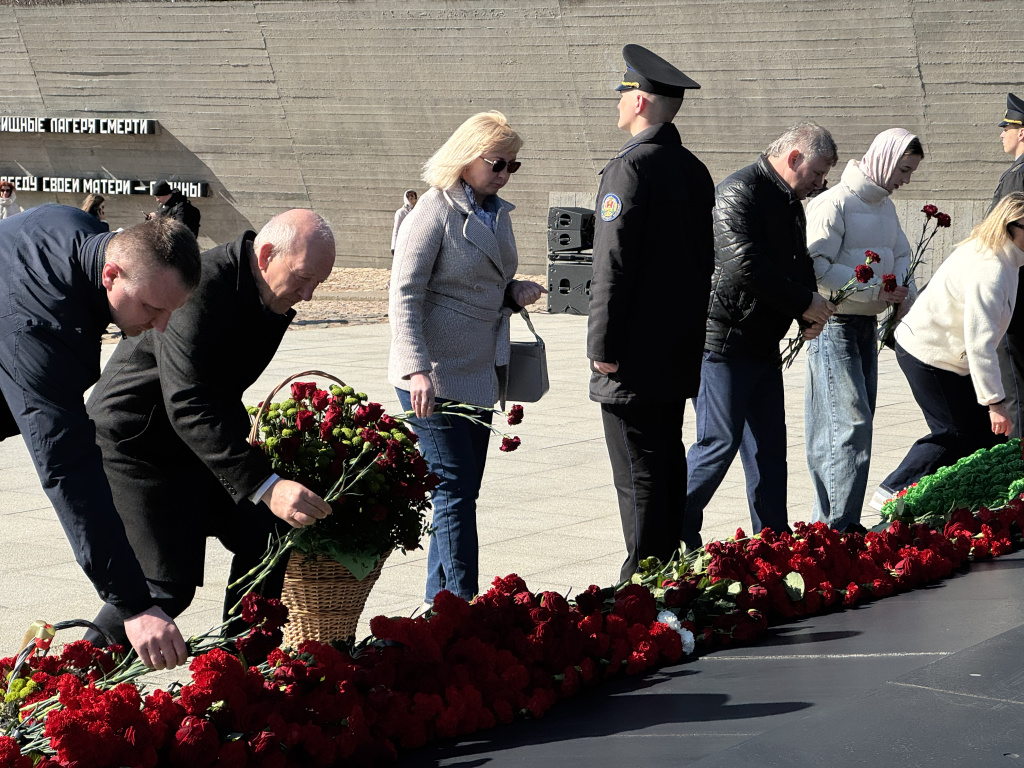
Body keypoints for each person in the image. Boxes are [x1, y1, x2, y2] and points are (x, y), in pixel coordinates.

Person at [85, 210, 336, 649]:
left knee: (267, 532)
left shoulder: (265, 289)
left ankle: (246, 668)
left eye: (318, 283)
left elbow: (218, 389)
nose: (308, 295)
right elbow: (189, 401)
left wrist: (261, 476)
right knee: (164, 587)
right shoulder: (203, 286)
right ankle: (71, 673)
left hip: (189, 440)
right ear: (265, 255)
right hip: (136, 441)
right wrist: (265, 484)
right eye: (302, 278)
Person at [0, 205, 201, 670]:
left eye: (170, 311)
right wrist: (133, 605)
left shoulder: (78, 226)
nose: (161, 326)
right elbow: (68, 472)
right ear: (111, 275)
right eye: (152, 308)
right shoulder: (44, 332)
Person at [388, 111, 545, 604]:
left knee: (459, 493)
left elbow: (486, 279)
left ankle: (441, 606)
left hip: (478, 370)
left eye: (513, 166)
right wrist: (416, 368)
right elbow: (404, 293)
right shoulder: (433, 210)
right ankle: (462, 604)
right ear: (466, 157)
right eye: (498, 163)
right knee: (453, 492)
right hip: (433, 376)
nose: (505, 174)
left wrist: (512, 290)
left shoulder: (496, 212)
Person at [586, 44, 713, 581]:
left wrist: (601, 346)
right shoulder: (694, 170)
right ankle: (671, 569)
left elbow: (611, 266)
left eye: (622, 94)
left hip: (632, 355)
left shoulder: (629, 168)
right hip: (676, 349)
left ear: (639, 100)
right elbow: (702, 266)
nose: (618, 103)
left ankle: (641, 583)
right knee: (666, 462)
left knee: (638, 473)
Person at [683, 122, 838, 549]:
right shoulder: (739, 191)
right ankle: (672, 530)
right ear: (794, 158)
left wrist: (809, 310)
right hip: (723, 342)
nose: (819, 184)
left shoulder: (789, 201)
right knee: (718, 442)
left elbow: (798, 262)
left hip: (762, 343)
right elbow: (743, 264)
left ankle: (772, 541)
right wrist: (802, 302)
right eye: (817, 173)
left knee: (768, 449)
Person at [804, 129, 923, 531]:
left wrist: (901, 291)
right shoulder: (834, 202)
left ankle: (835, 526)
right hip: (834, 323)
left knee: (853, 424)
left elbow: (902, 254)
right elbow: (815, 265)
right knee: (847, 425)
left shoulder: (884, 207)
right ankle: (837, 529)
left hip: (865, 324)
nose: (906, 179)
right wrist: (876, 289)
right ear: (885, 161)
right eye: (903, 169)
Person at [875, 194, 1024, 500]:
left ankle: (975, 505)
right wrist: (995, 403)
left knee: (988, 437)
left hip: (949, 356)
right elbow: (980, 341)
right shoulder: (992, 268)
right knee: (955, 432)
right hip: (928, 354)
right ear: (1012, 226)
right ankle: (893, 491)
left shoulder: (1003, 256)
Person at [991, 93, 1024, 439]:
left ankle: (1017, 462)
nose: (1002, 134)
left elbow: (1004, 232)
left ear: (1022, 132)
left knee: (1013, 388)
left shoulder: (1018, 175)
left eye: (1008, 128)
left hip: (1014, 292)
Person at [392, 189, 418, 256]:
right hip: (403, 243)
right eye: (410, 197)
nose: (412, 199)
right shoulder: (401, 212)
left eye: (414, 197)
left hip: (415, 244)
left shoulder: (418, 211)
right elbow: (396, 230)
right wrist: (393, 247)